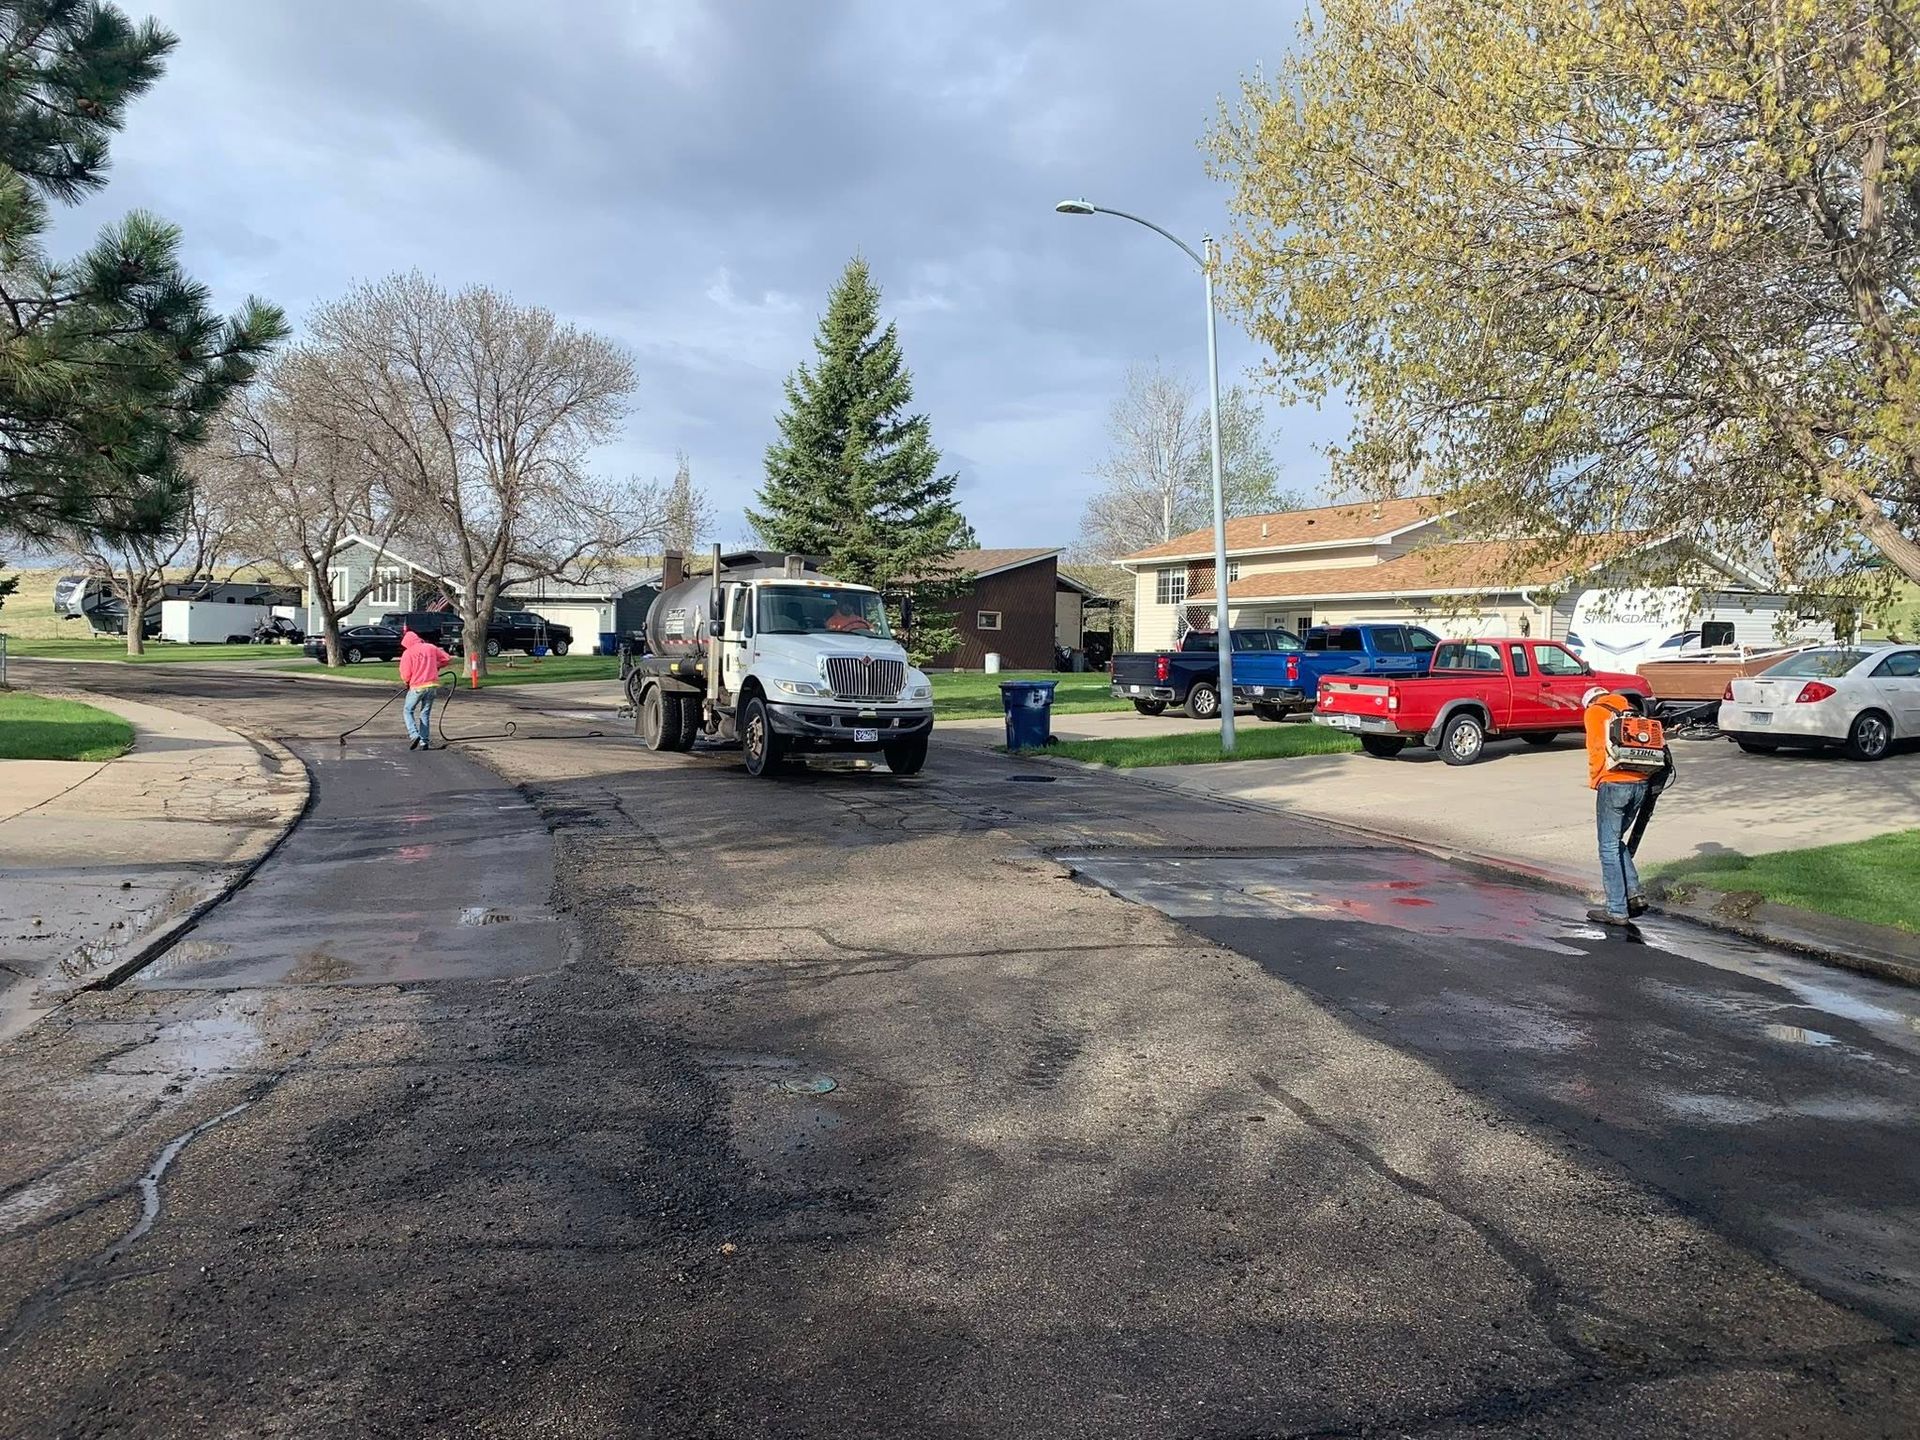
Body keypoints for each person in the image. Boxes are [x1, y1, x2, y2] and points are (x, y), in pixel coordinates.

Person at [1583, 685, 1652, 925]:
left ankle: (1616, 910)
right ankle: (1634, 894)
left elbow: (1596, 748)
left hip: (1613, 783)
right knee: (1615, 841)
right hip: (1641, 782)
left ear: (1591, 701)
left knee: (1608, 847)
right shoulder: (1630, 709)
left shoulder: (1594, 712)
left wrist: (1596, 780)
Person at [398, 629, 454, 751]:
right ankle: (424, 742)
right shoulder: (430, 647)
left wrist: (406, 682)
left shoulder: (408, 653)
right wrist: (435, 666)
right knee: (425, 713)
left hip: (417, 687)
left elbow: (406, 674)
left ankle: (414, 735)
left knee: (408, 710)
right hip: (432, 686)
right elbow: (446, 658)